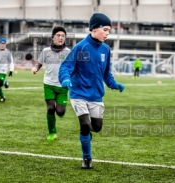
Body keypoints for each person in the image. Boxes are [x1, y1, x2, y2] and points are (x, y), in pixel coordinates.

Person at [58, 13, 125, 169]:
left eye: (110, 30)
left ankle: (87, 136)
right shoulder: (81, 47)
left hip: (96, 96)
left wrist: (114, 84)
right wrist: (66, 79)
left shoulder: (106, 50)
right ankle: (87, 158)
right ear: (94, 29)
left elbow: (106, 73)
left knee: (97, 127)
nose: (108, 33)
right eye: (106, 29)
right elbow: (65, 67)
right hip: (78, 94)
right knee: (84, 124)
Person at [32, 27, 70, 141]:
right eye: (58, 35)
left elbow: (73, 66)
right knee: (50, 109)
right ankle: (52, 132)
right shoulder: (45, 51)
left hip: (62, 86)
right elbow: (40, 63)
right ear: (53, 37)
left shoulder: (68, 52)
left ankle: (61, 109)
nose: (61, 37)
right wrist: (36, 68)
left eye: (63, 36)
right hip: (48, 84)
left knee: (60, 111)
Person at [0, 37, 14, 102]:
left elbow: (11, 62)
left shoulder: (8, 52)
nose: (2, 45)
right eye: (1, 43)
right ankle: (2, 97)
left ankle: (4, 81)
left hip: (3, 71)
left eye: (4, 44)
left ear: (5, 44)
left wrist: (11, 70)